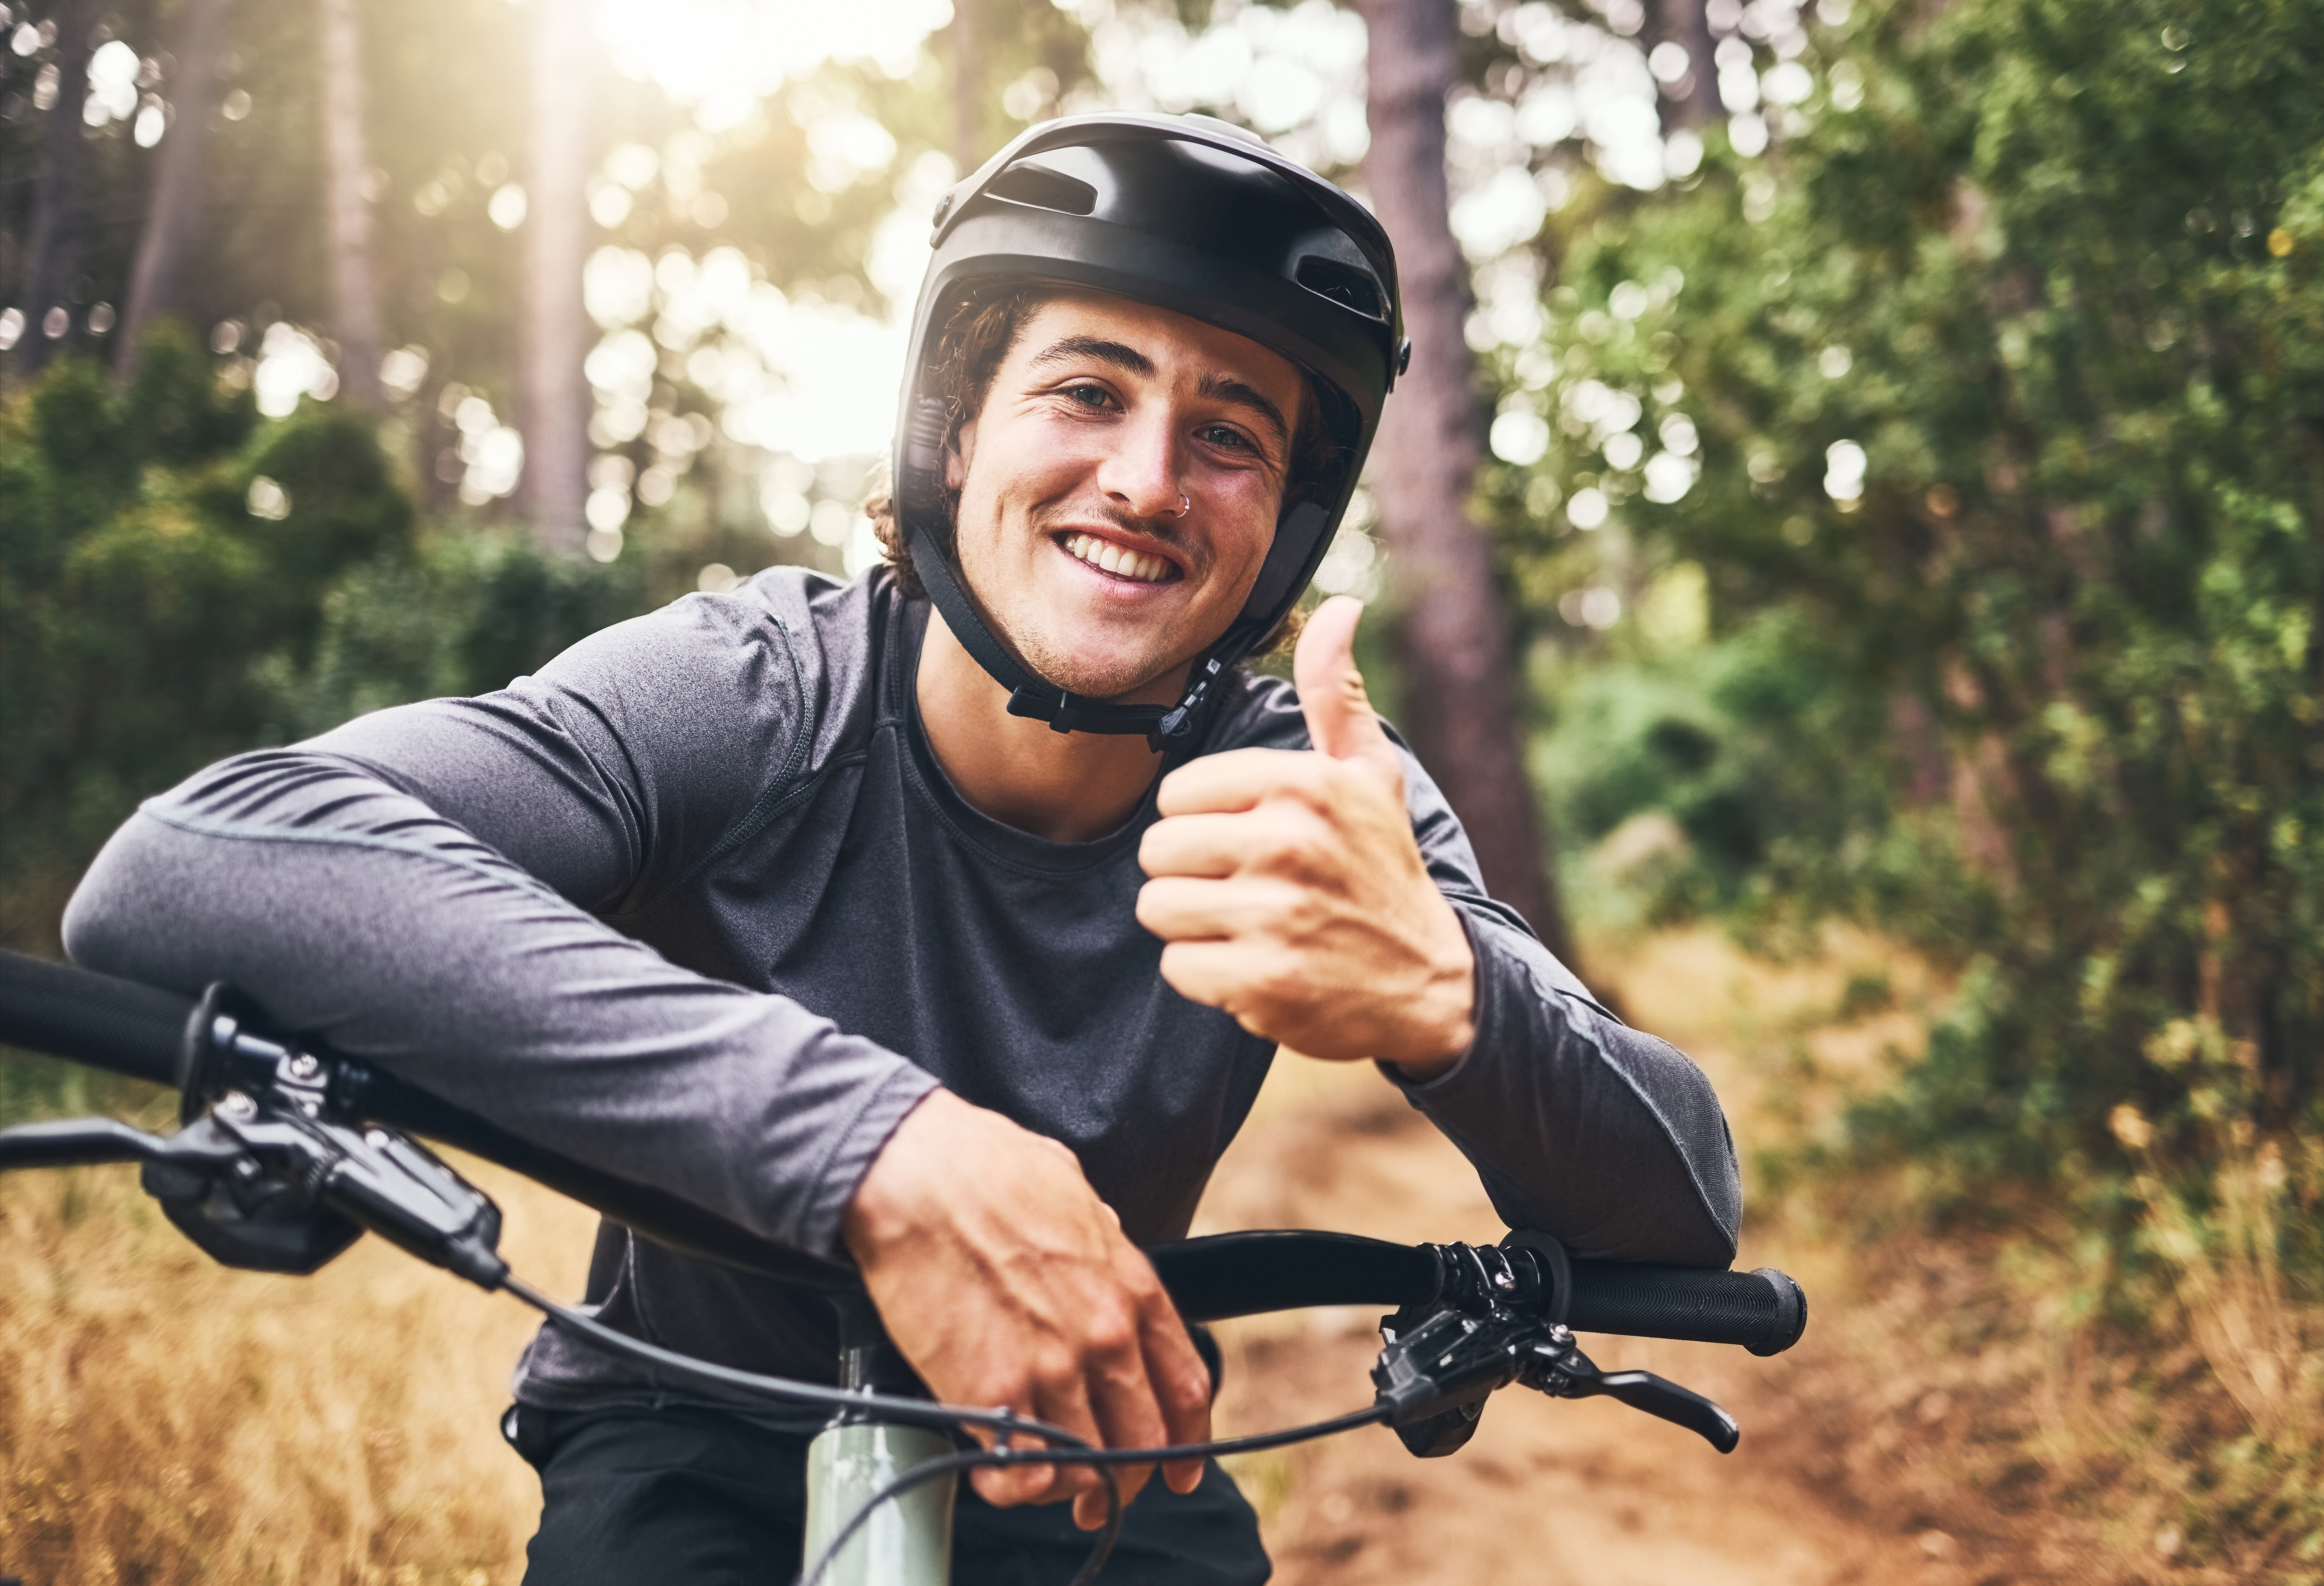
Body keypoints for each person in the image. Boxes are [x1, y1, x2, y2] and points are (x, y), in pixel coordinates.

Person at [63, 114, 1741, 1584]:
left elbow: (1681, 1207)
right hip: (688, 1420)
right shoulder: (757, 689)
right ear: (951, 438)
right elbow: (202, 858)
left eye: (1230, 433)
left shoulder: (1306, 784)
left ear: (1285, 521)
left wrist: (1449, 994)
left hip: (1098, 1428)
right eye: (1085, 389)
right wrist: (884, 1148)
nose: (1149, 479)